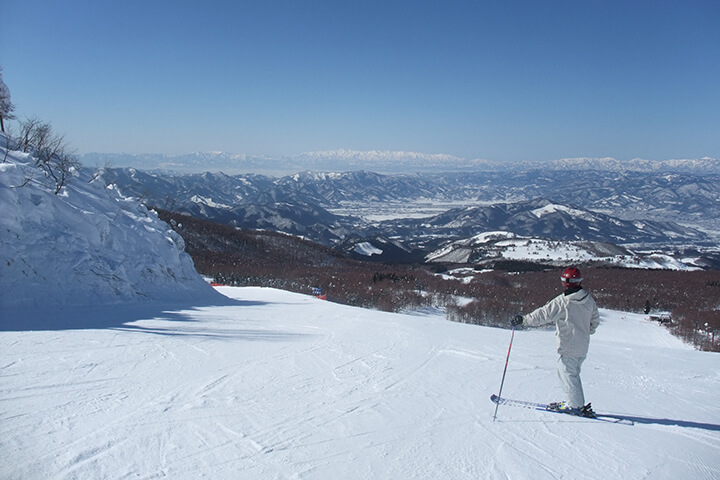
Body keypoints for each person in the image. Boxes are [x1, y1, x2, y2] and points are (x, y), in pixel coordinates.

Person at [511, 267, 600, 417]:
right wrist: (584, 332)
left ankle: (575, 405)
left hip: (568, 345)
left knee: (567, 374)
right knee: (572, 373)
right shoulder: (588, 299)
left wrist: (524, 320)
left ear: (564, 282)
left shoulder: (563, 302)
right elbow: (595, 321)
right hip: (583, 345)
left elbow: (543, 314)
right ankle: (573, 402)